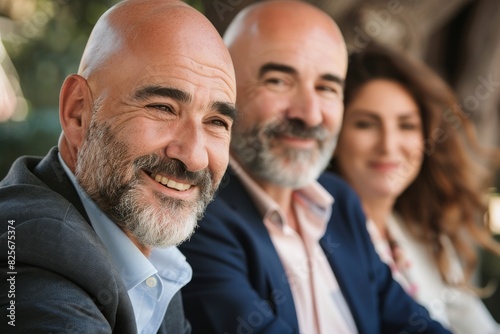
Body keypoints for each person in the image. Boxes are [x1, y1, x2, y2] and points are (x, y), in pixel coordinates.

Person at [178, 1, 451, 333]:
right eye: (278, 81)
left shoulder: (339, 201)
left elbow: (413, 324)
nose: (309, 114)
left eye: (326, 88)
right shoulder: (196, 213)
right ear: (227, 91)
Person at [0, 0, 237, 332]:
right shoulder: (33, 260)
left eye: (216, 122)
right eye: (163, 108)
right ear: (78, 112)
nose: (195, 155)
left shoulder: (149, 259)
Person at [329, 44, 500, 334]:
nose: (388, 145)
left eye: (406, 126)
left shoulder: (425, 237)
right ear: (334, 133)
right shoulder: (319, 242)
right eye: (366, 124)